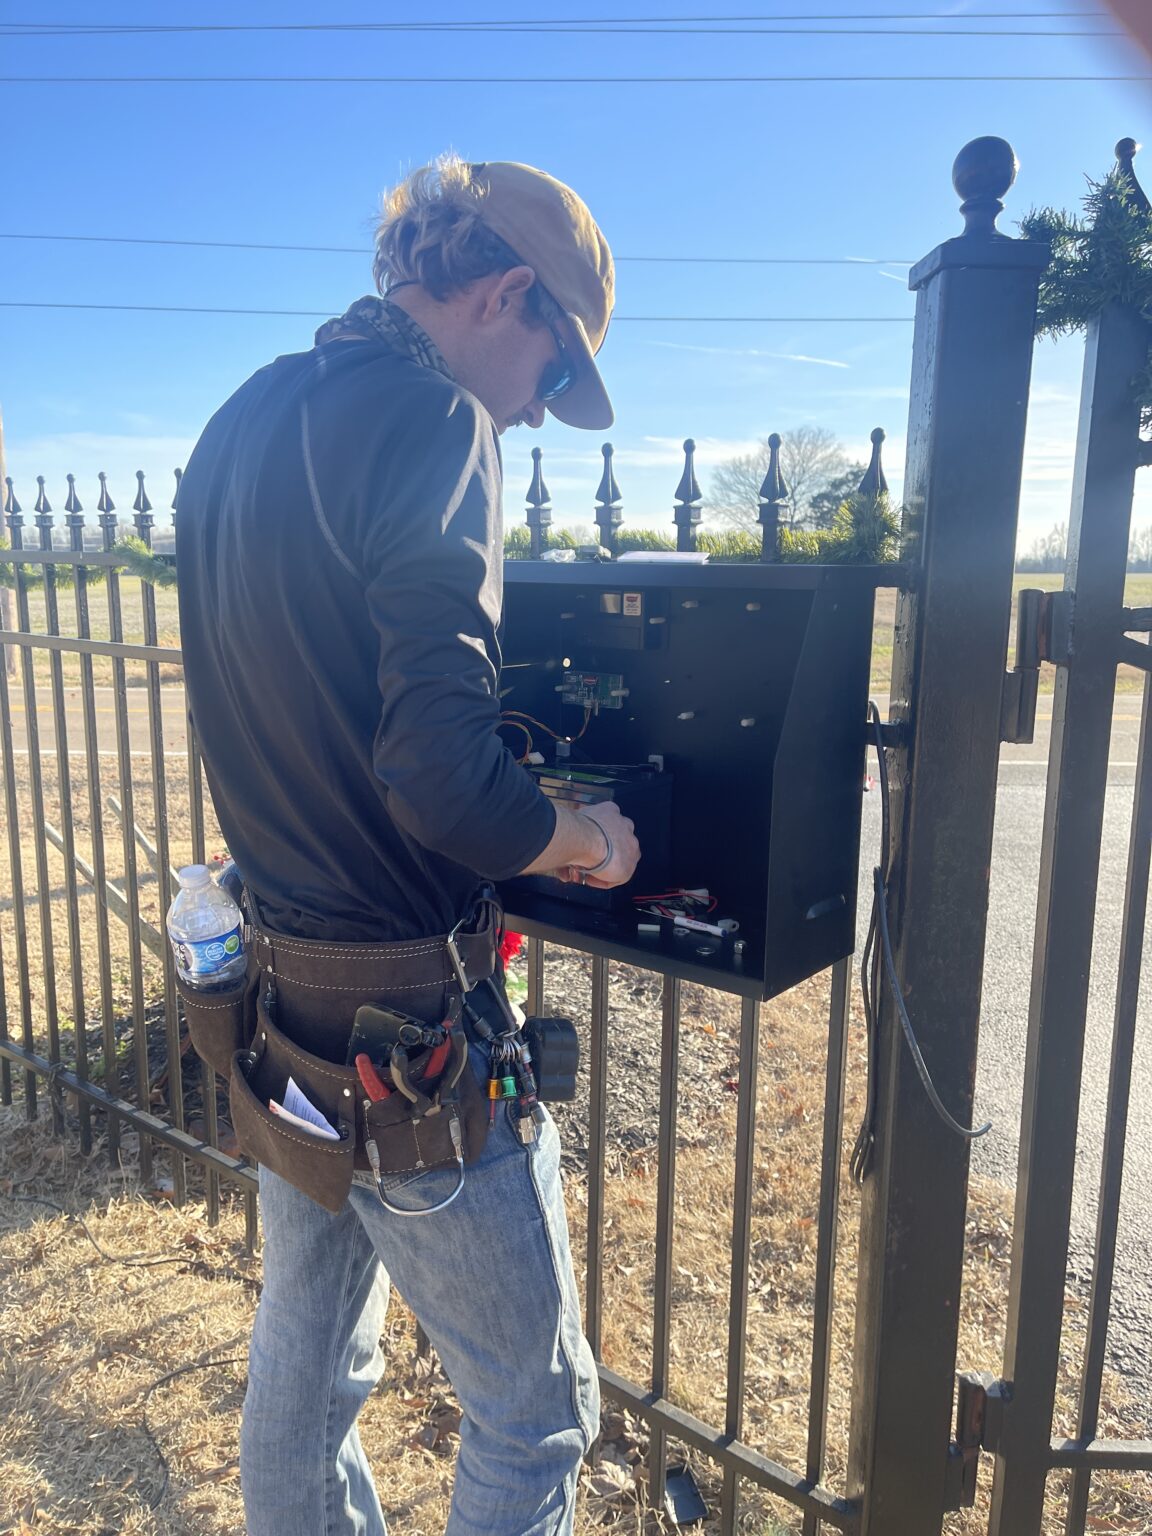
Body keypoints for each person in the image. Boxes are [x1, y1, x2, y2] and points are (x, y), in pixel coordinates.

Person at [175, 155, 641, 1536]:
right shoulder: (439, 417)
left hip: (279, 1006)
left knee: (308, 1374)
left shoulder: (242, 416)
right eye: (556, 369)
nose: (543, 411)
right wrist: (581, 841)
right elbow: (444, 781)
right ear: (508, 294)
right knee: (534, 1408)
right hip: (412, 1032)